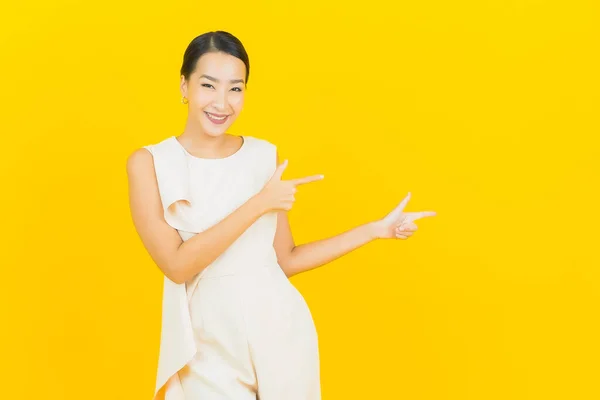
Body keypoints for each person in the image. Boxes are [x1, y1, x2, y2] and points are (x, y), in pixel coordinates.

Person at [126, 30, 436, 400]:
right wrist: (260, 202)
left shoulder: (262, 156)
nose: (221, 103)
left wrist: (374, 230)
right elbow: (177, 266)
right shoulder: (150, 163)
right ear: (184, 86)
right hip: (206, 343)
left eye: (235, 89)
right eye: (208, 85)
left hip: (280, 329)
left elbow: (284, 260)